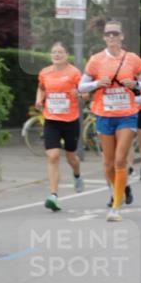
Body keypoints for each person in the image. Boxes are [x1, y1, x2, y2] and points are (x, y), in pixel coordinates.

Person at [79, 19, 141, 222]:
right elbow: (81, 87)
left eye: (115, 33)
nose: (112, 37)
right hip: (104, 115)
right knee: (108, 163)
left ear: (122, 36)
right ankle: (119, 190)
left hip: (127, 114)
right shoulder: (95, 60)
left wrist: (135, 83)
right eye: (108, 34)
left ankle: (116, 207)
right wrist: (96, 83)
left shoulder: (132, 59)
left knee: (120, 160)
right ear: (104, 38)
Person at [35, 42, 84, 212]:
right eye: (54, 52)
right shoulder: (45, 72)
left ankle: (77, 174)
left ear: (67, 55)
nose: (57, 55)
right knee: (53, 156)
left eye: (60, 52)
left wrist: (79, 93)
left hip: (70, 120)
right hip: (51, 119)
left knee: (72, 158)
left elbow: (85, 92)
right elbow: (41, 88)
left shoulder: (74, 73)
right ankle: (53, 195)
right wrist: (38, 99)